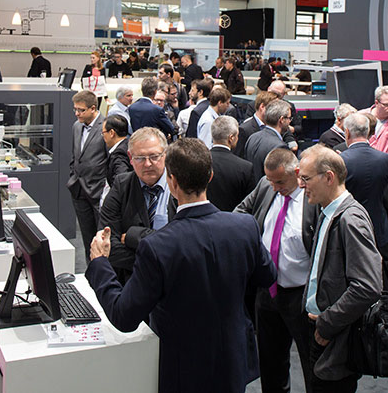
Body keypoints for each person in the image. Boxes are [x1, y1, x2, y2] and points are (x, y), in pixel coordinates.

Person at [87, 138, 276, 393]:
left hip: (182, 369)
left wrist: (100, 263)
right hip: (233, 361)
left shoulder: (158, 246)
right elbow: (267, 276)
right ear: (210, 176)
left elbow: (124, 316)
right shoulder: (244, 227)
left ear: (172, 182)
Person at [235, 147, 320, 393]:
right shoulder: (266, 185)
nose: (275, 187)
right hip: (267, 292)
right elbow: (240, 214)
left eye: (280, 182)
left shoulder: (313, 199)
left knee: (312, 363)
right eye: (271, 180)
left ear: (297, 173)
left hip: (301, 296)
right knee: (271, 364)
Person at [300, 145, 383, 391]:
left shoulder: (351, 219)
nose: (301, 185)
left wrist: (327, 323)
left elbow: (367, 287)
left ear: (329, 177)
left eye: (306, 179)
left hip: (334, 339)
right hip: (323, 333)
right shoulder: (327, 212)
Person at [98, 127, 178, 279]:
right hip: (130, 280)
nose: (147, 164)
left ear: (166, 154)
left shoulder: (180, 187)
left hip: (173, 282)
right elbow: (108, 245)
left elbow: (183, 243)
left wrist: (134, 236)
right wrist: (156, 262)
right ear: (130, 157)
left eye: (154, 156)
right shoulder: (122, 186)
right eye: (140, 158)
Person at [340, 113, 388, 258]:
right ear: (368, 132)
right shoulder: (385, 159)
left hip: (349, 229)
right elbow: (386, 194)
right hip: (379, 229)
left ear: (347, 132)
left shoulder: (341, 160)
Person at [65, 90, 108, 249]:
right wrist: (73, 177)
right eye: (75, 109)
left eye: (81, 110)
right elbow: (75, 156)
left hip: (98, 192)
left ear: (93, 108)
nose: (77, 113)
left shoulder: (106, 127)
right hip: (79, 190)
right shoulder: (77, 126)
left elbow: (110, 160)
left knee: (101, 240)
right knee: (87, 240)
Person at [206, 116, 257, 212]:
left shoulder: (201, 162)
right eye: (237, 135)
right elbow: (250, 204)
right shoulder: (245, 168)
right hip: (234, 218)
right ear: (231, 138)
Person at [245, 100, 291, 174]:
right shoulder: (280, 147)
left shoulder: (252, 137)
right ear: (282, 120)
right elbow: (280, 176)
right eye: (289, 118)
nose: (290, 121)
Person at [236, 91, 278, 158]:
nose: (276, 112)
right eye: (273, 108)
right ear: (262, 107)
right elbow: (239, 156)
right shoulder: (244, 129)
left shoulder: (275, 126)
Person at [102, 114, 132, 185]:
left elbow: (121, 181)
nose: (103, 136)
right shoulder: (128, 145)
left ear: (112, 133)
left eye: (103, 133)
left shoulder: (119, 154)